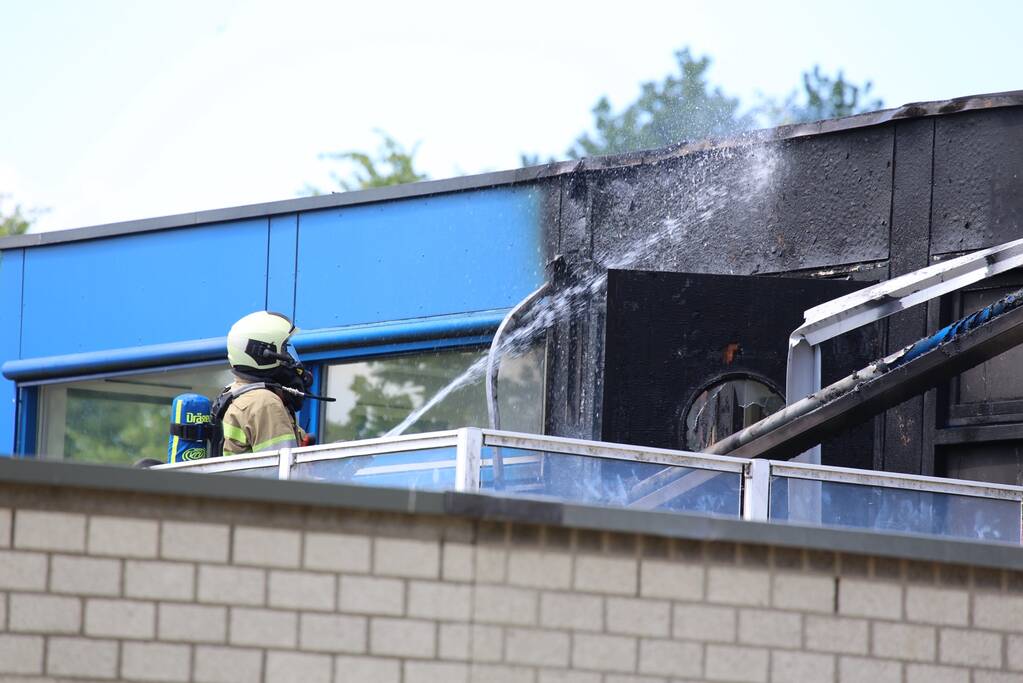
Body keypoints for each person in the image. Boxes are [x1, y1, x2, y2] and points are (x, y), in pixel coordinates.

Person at [211, 311, 314, 456]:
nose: (289, 358)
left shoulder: (234, 393)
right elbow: (285, 471)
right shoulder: (264, 403)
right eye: (284, 350)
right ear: (265, 354)